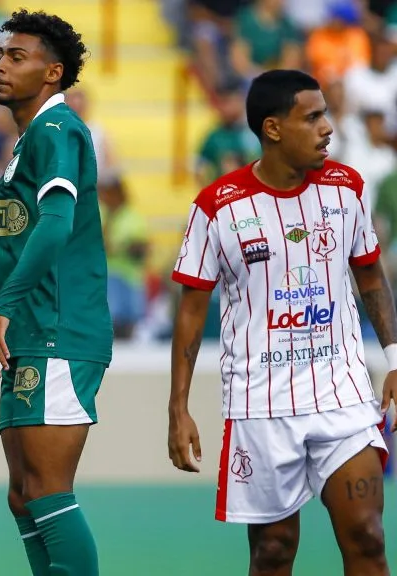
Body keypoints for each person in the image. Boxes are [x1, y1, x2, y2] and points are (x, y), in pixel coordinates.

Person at [169, 69, 395, 576]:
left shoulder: (347, 189)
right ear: (272, 128)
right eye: (311, 117)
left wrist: (395, 358)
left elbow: (371, 278)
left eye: (325, 115)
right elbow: (190, 309)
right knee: (272, 552)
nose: (326, 128)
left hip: (342, 396)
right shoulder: (216, 208)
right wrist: (178, 407)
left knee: (367, 534)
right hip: (261, 403)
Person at [0, 9, 111, 576]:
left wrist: (5, 303)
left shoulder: (58, 130)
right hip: (33, 329)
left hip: (56, 332)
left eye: (16, 57)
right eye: (1, 55)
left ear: (52, 72)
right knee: (23, 494)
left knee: (46, 488)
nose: (0, 66)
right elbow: (32, 232)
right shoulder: (31, 139)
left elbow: (56, 222)